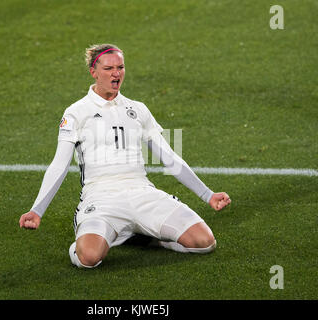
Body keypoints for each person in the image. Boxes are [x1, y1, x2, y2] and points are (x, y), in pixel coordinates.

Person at [19, 44, 231, 268]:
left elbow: (169, 157)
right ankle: (84, 242)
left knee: (204, 242)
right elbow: (60, 164)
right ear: (93, 71)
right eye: (109, 68)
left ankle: (146, 238)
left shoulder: (138, 109)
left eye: (120, 67)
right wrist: (37, 209)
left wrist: (208, 195)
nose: (116, 73)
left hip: (142, 192)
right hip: (101, 197)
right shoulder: (76, 112)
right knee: (89, 258)